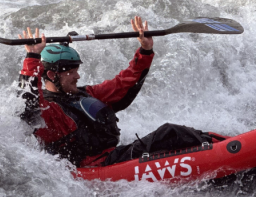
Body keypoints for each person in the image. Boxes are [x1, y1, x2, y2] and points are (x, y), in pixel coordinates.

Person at [17, 16, 225, 167]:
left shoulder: (84, 94)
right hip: (96, 168)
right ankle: (229, 148)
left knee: (173, 138)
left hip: (111, 157)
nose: (77, 76)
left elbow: (123, 83)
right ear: (52, 75)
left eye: (76, 70)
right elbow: (28, 102)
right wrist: (32, 58)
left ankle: (225, 145)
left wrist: (145, 51)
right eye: (71, 72)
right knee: (169, 132)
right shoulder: (50, 111)